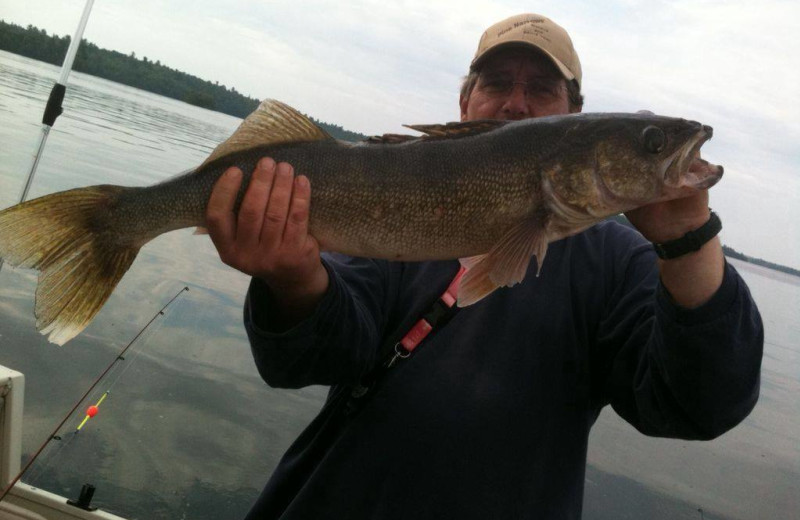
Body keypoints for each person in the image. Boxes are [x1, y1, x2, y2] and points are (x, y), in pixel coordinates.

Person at [206, 13, 763, 520]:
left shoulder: (619, 265)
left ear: (573, 115)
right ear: (465, 102)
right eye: (497, 83)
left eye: (542, 88)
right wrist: (294, 279)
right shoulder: (392, 210)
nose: (517, 103)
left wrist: (689, 241)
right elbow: (316, 356)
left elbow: (699, 406)